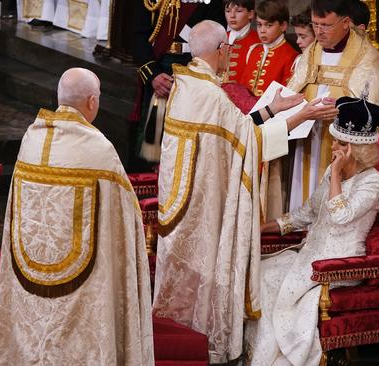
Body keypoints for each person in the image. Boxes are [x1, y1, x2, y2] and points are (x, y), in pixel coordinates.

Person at [151, 20, 339, 364]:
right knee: (205, 278)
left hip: (183, 199)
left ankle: (181, 338)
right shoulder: (208, 93)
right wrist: (304, 114)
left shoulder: (188, 83)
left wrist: (274, 109)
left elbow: (236, 129)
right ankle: (203, 344)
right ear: (222, 50)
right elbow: (251, 142)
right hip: (204, 206)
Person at [0, 68, 154, 365]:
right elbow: (124, 212)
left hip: (31, 262)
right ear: (92, 101)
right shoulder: (99, 149)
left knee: (36, 320)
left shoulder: (31, 139)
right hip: (82, 273)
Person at [245, 96, 379, 366]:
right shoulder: (334, 173)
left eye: (341, 144)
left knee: (287, 293)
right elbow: (306, 214)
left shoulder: (372, 181)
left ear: (358, 149)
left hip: (339, 266)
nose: (334, 147)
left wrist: (334, 174)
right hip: (309, 256)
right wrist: (265, 227)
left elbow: (341, 215)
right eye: (335, 141)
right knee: (263, 275)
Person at [287, 0, 379, 213]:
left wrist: (342, 110)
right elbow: (293, 92)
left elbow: (378, 113)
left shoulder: (368, 60)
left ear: (346, 23)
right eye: (315, 24)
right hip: (307, 142)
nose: (319, 32)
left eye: (326, 25)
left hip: (344, 147)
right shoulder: (310, 54)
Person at [131, 0, 225, 163]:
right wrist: (153, 75)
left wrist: (193, 78)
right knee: (149, 144)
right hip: (158, 68)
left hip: (193, 72)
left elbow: (215, 41)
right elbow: (138, 35)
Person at [238, 0, 299, 97]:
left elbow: (285, 95)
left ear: (283, 26)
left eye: (269, 25)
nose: (262, 30)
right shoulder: (253, 50)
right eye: (259, 24)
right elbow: (242, 86)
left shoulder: (291, 56)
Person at [224, 0, 259, 84]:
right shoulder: (219, 38)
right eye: (228, 11)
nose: (232, 16)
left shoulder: (257, 41)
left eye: (239, 11)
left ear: (250, 14)